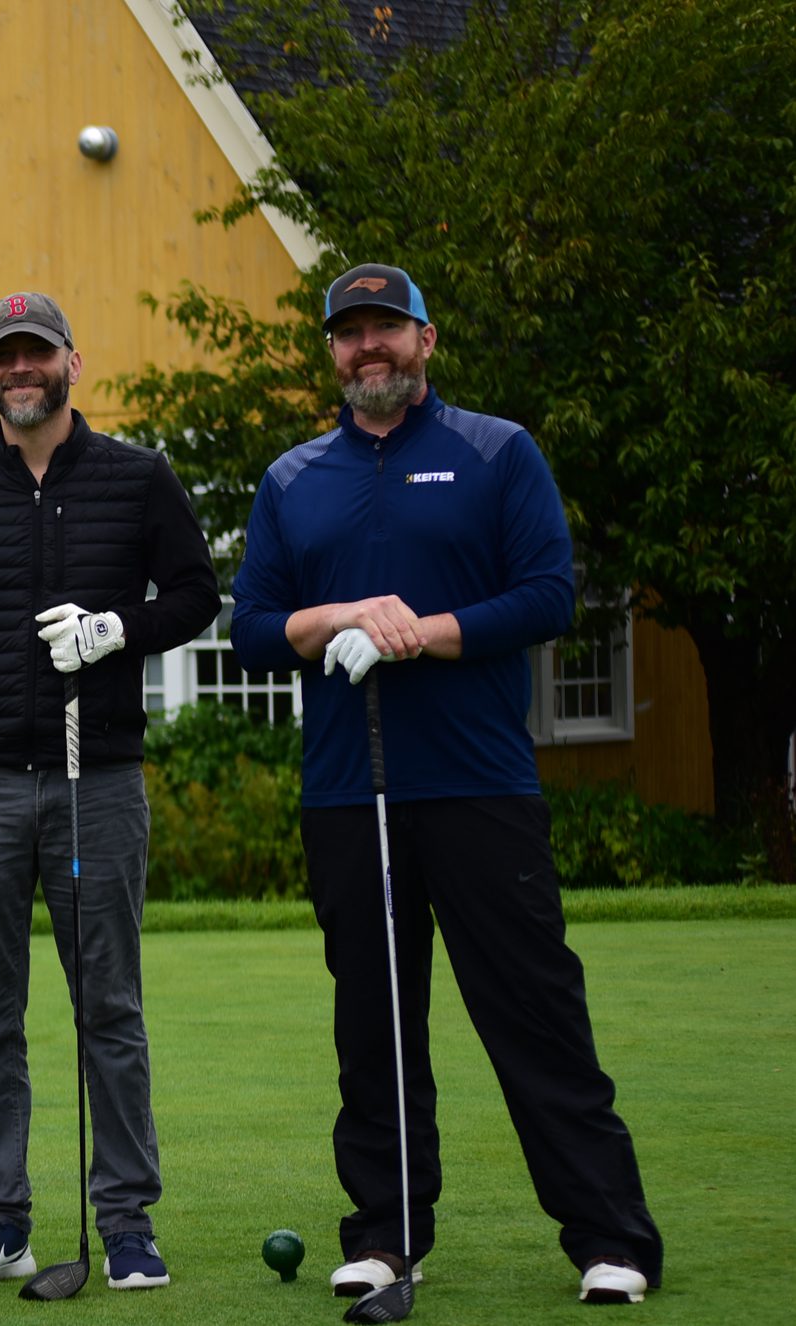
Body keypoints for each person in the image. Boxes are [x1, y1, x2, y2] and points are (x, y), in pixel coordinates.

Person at [230, 262, 663, 1307]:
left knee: (531, 1015)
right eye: (348, 333)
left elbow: (548, 595)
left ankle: (610, 1239)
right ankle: (386, 1234)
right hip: (348, 792)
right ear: (330, 352)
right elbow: (249, 627)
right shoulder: (293, 477)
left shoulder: (494, 451)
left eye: (386, 328)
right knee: (372, 1022)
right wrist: (336, 617)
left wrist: (420, 633)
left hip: (475, 784)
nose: (365, 347)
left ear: (425, 341)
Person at [0, 291, 219, 1292]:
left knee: (108, 1006)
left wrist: (117, 627)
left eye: (35, 354)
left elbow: (197, 594)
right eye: (3, 358)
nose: (19, 370)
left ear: (71, 360)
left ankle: (124, 1222)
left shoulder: (135, 476)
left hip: (97, 780)